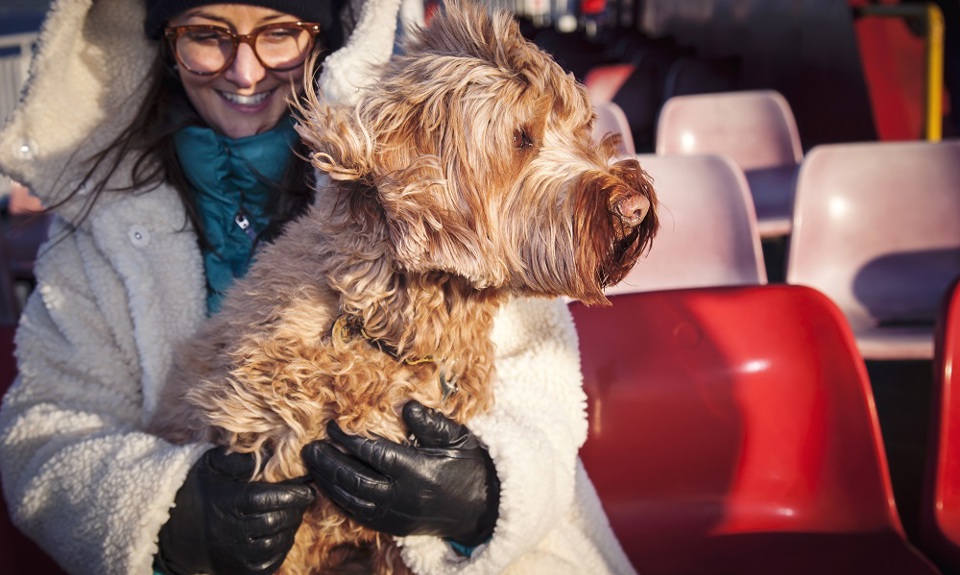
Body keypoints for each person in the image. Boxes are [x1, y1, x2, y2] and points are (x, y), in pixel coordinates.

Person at [0, 0, 637, 574]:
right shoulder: (97, 225)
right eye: (206, 35)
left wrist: (486, 494)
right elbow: (39, 434)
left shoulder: (460, 166)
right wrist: (170, 516)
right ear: (167, 44)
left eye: (277, 33)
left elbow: (550, 407)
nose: (244, 72)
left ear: (324, 35)